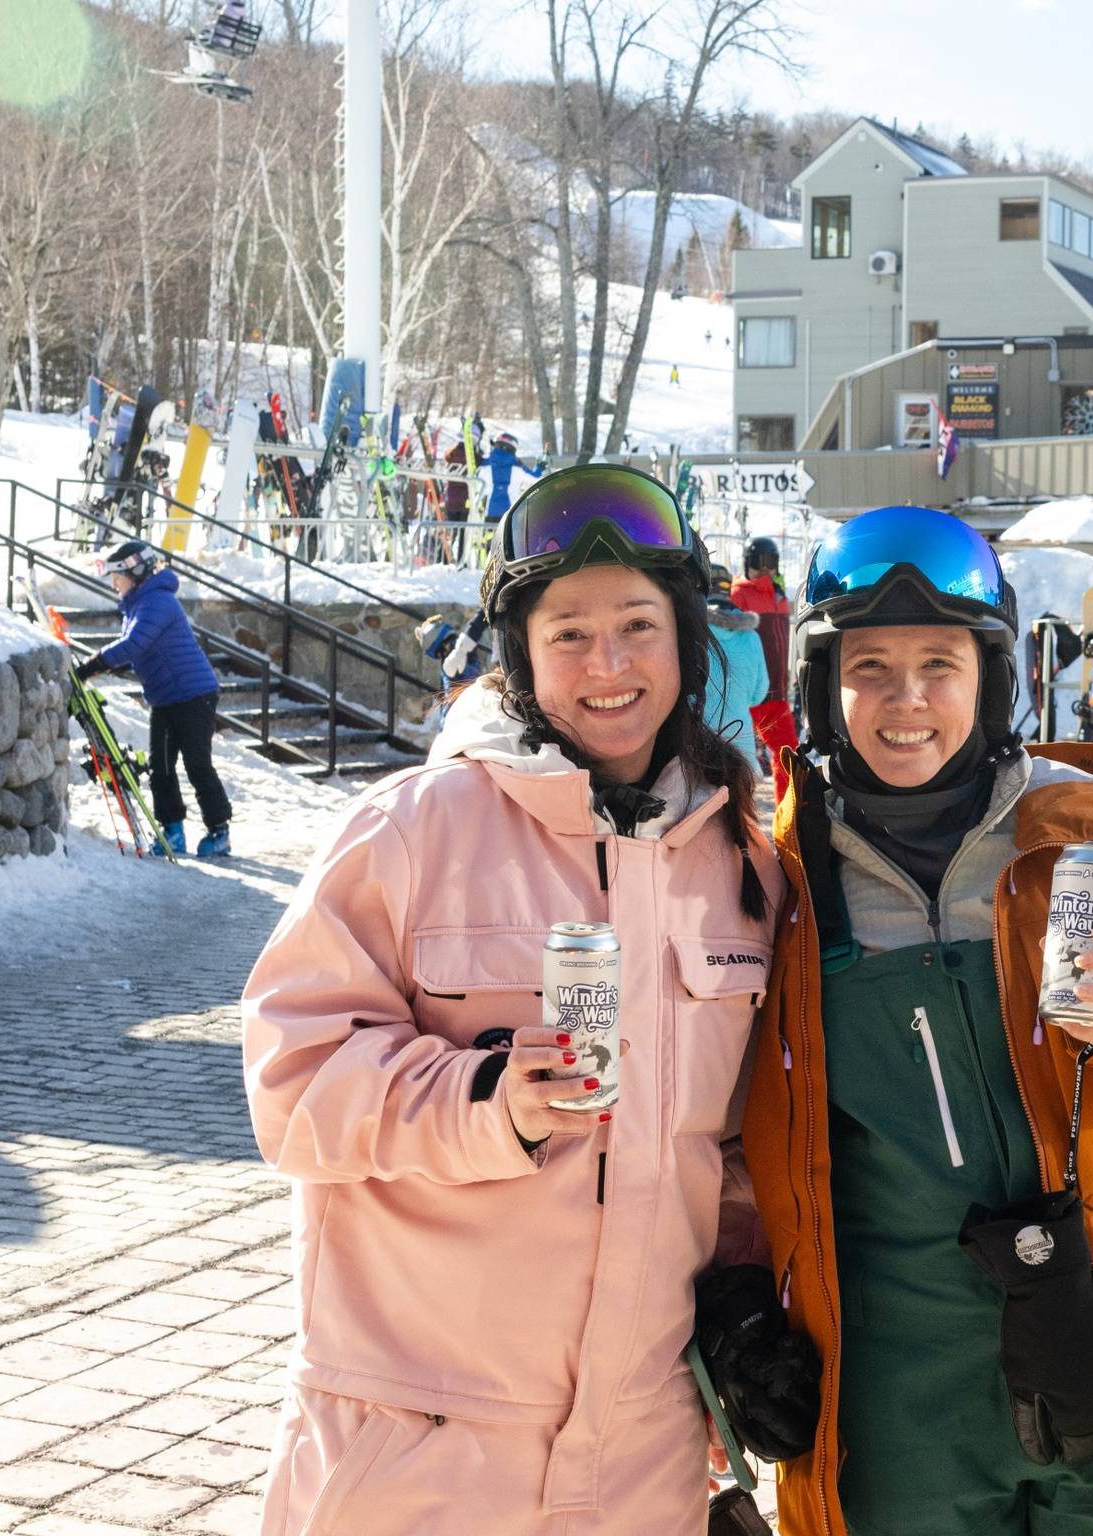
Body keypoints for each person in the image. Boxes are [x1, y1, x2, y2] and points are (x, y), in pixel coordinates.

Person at [242, 465, 792, 1535]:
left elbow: (734, 1149)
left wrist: (737, 1299)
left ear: (686, 642)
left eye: (638, 626)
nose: (609, 665)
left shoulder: (740, 865)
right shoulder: (411, 830)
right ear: (522, 655)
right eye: (569, 633)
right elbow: (292, 1081)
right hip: (420, 1449)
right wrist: (488, 1099)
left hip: (643, 1461)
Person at [741, 504, 1093, 1536]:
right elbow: (728, 1128)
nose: (906, 700)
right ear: (820, 686)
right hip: (902, 1402)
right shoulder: (775, 882)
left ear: (992, 678)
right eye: (869, 667)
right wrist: (738, 1304)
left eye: (940, 665)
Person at [74, 540, 231, 858]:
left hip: (194, 694)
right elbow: (138, 649)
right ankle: (173, 831)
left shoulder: (158, 601)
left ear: (135, 572)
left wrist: (93, 664)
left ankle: (219, 831)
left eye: (117, 576)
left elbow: (134, 643)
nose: (114, 584)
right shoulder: (137, 604)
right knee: (161, 766)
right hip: (164, 697)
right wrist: (106, 666)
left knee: (197, 764)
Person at [729, 535, 798, 803]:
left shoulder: (780, 598)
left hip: (776, 694)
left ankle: (787, 816)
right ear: (748, 563)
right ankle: (737, 818)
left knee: (789, 757)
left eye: (771, 562)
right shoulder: (739, 595)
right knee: (738, 762)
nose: (766, 568)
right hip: (748, 694)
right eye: (760, 562)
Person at [703, 564, 769, 761]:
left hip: (698, 744)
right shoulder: (752, 637)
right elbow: (759, 694)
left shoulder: (690, 631)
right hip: (742, 745)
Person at [484, 431, 543, 526]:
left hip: (487, 514)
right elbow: (536, 477)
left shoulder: (484, 464)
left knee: (488, 534)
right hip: (509, 514)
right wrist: (540, 467)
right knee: (505, 535)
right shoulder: (518, 467)